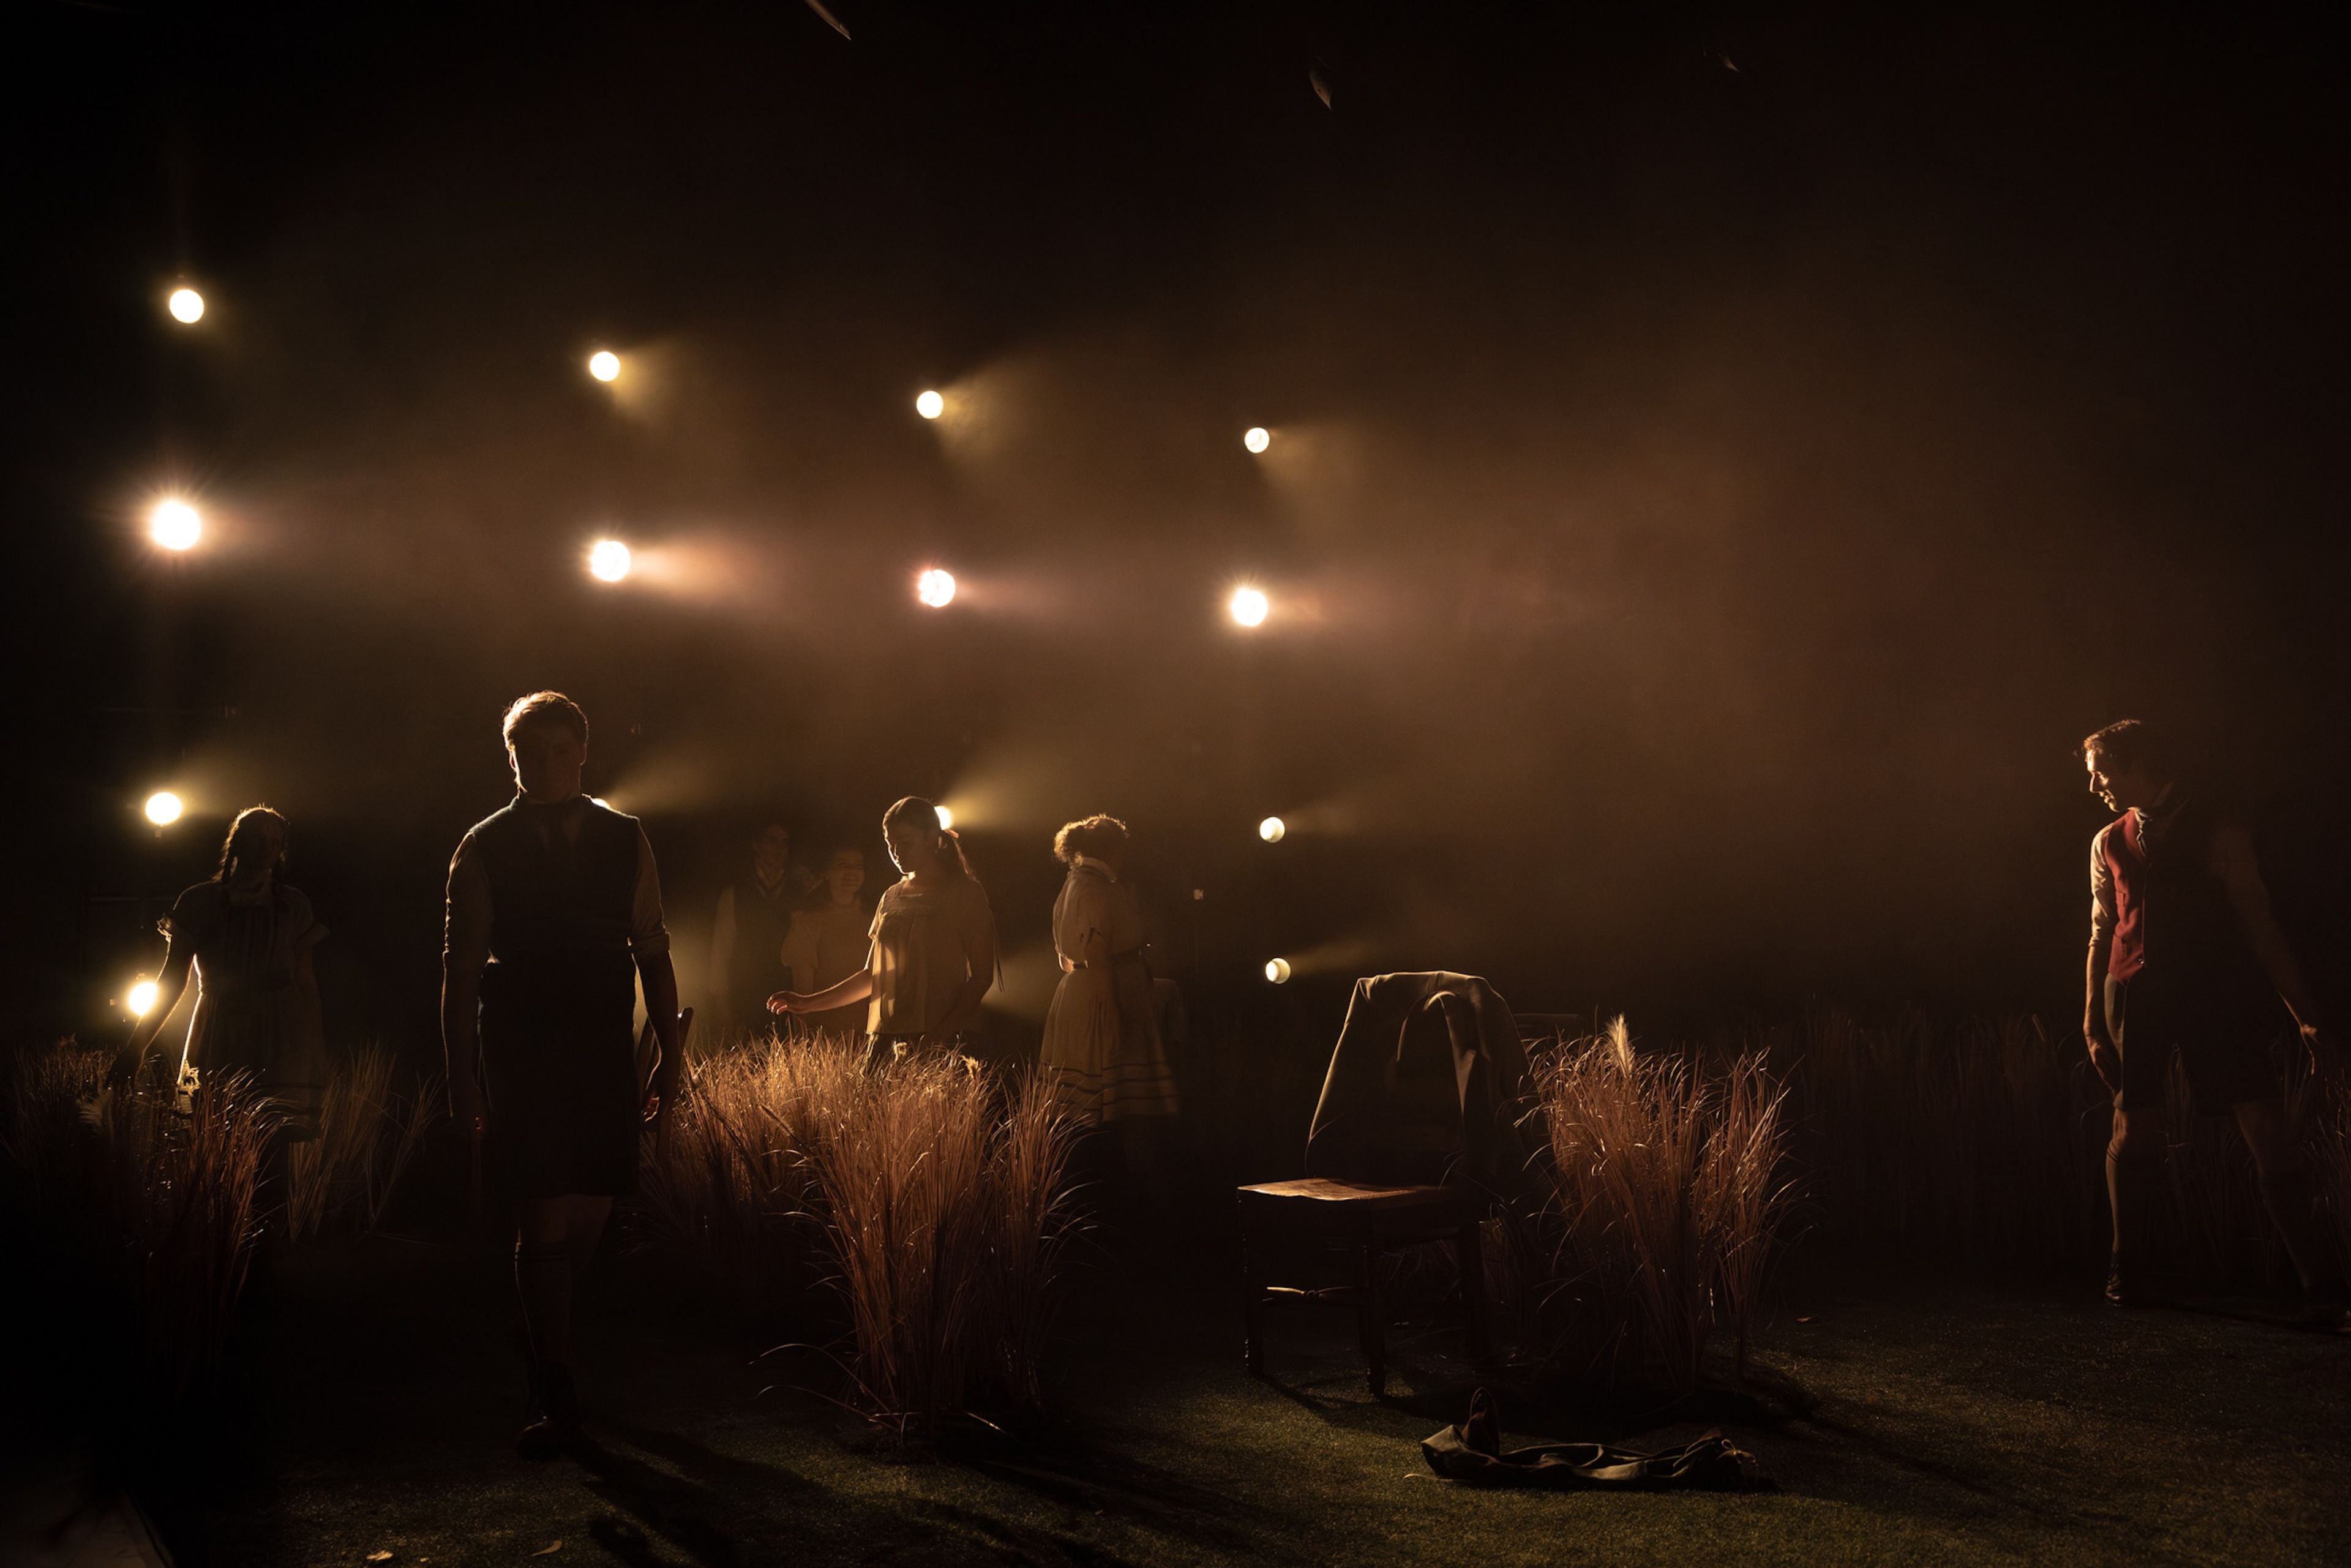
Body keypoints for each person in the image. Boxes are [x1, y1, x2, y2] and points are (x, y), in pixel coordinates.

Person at [443, 691, 684, 1457]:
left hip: (601, 1038)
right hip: (522, 1038)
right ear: (509, 756)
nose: (542, 764)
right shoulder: (482, 845)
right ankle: (556, 1382)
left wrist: (672, 1059)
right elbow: (459, 972)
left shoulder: (625, 836)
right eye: (527, 751)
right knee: (543, 1209)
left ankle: (547, 1340)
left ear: (582, 751)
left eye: (556, 749)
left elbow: (653, 945)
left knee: (590, 1208)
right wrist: (463, 1076)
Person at [2080, 719, 2345, 1324]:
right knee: (2133, 1127)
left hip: (2213, 995)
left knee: (2263, 1123)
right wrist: (2093, 1016)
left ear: (2134, 761)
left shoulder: (2217, 827)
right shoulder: (2107, 840)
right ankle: (2128, 1269)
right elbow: (2099, 933)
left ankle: (2321, 1282)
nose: (2094, 784)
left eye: (2101, 770)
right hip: (2135, 995)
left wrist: (2303, 1013)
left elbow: (2259, 921)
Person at [112, 805, 329, 1228]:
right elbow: (171, 980)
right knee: (208, 1138)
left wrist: (315, 1045)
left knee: (273, 1144)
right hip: (217, 1030)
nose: (267, 848)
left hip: (277, 1036)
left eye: (275, 840)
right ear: (236, 844)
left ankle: (266, 1250)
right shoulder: (200, 901)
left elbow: (306, 984)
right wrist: (136, 1045)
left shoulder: (292, 905)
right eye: (258, 838)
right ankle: (212, 1243)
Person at [768, 797, 994, 1060]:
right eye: (891, 845)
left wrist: (939, 1035)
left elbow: (981, 977)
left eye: (906, 843)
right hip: (884, 1040)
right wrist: (807, 1003)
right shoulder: (891, 897)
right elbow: (873, 975)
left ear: (932, 837)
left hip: (937, 1042)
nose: (897, 852)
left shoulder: (964, 893)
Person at [1038, 815, 1181, 1130]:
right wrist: (1113, 1015)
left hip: (1086, 992)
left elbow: (1066, 958)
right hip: (1103, 999)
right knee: (1116, 1108)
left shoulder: (1077, 884)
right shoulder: (1092, 888)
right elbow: (1097, 955)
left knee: (1104, 1108)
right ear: (1115, 851)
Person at [709, 820, 816, 1043]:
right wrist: (723, 1011)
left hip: (789, 1002)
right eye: (772, 841)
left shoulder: (800, 892)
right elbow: (720, 956)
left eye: (785, 843)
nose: (779, 849)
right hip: (746, 1002)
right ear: (756, 844)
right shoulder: (735, 894)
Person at [778, 845, 872, 1038]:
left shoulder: (875, 917)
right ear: (828, 872)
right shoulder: (810, 922)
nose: (851, 872)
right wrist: (803, 1040)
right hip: (828, 1033)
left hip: (871, 1029)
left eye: (858, 866)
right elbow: (802, 990)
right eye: (843, 865)